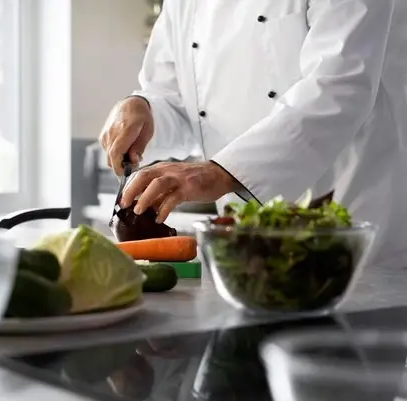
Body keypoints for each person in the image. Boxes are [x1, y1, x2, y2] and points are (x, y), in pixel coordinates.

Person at [99, 0, 407, 270]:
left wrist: (222, 172)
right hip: (245, 233)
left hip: (348, 214)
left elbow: (338, 89)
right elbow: (177, 99)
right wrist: (142, 107)